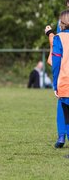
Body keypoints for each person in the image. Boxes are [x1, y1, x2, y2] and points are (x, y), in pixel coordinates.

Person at [52, 9, 69, 149]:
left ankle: (62, 136)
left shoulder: (59, 38)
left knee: (67, 117)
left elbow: (56, 64)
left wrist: (54, 84)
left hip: (65, 81)